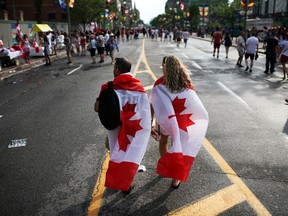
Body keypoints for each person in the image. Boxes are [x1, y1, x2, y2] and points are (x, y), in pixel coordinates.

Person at [150, 56, 209, 189]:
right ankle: (175, 177)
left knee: (164, 142)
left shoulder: (160, 83)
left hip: (166, 120)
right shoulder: (186, 83)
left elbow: (153, 104)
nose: (162, 68)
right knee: (179, 146)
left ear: (167, 67)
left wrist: (151, 122)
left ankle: (170, 170)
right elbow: (192, 102)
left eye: (163, 66)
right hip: (182, 120)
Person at [94, 57, 151, 194]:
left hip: (115, 128)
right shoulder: (139, 87)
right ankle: (128, 182)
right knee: (130, 153)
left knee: (116, 151)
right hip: (133, 127)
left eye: (114, 68)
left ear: (118, 69)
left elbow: (97, 108)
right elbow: (145, 111)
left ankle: (119, 181)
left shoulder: (107, 87)